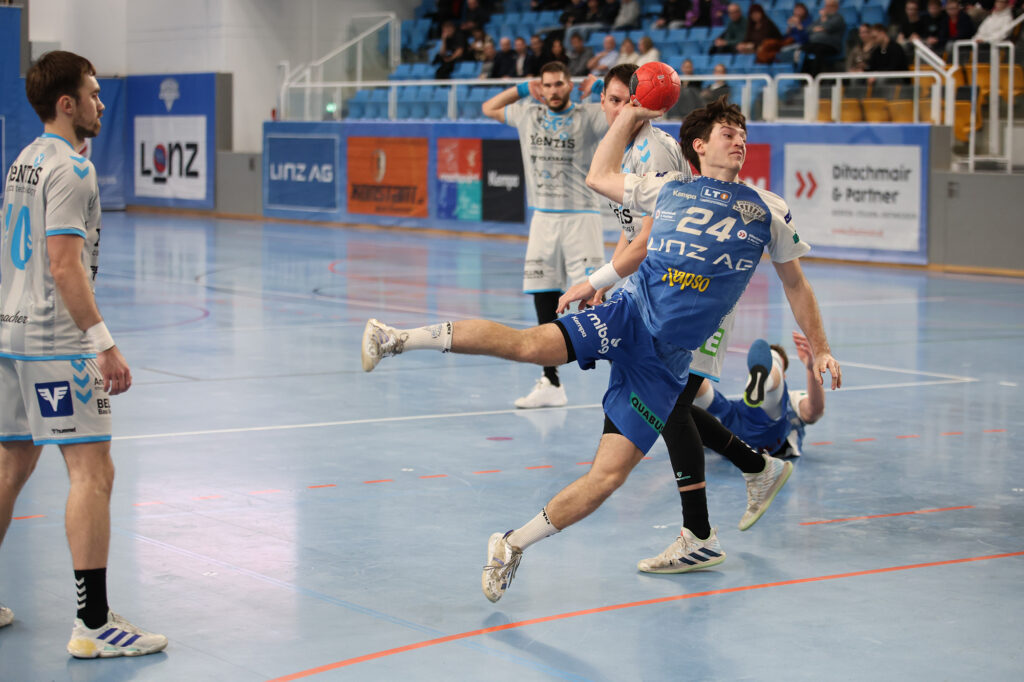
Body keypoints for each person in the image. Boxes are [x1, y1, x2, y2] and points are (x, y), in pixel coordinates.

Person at [360, 96, 841, 602]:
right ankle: (396, 338)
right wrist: (631, 115)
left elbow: (796, 285)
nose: (739, 140)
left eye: (743, 133)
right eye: (728, 132)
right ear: (699, 146)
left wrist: (824, 348)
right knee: (530, 346)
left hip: (666, 364)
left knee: (607, 477)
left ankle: (510, 544)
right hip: (628, 318)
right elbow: (599, 174)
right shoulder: (671, 187)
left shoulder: (768, 209)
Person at [561, 66, 796, 572]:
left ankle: (708, 524)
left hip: (689, 299)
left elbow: (653, 239)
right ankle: (751, 474)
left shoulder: (661, 151)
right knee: (670, 406)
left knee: (669, 405)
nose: (619, 109)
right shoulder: (629, 146)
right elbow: (634, 236)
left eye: (629, 99)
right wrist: (610, 280)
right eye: (613, 100)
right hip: (657, 297)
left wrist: (599, 281)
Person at [0, 51, 167, 657]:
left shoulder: (27, 159)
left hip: (9, 336)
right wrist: (104, 346)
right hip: (56, 342)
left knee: (11, 465)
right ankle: (93, 623)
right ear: (66, 103)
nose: (101, 102)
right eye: (93, 94)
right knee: (92, 471)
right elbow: (65, 266)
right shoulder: (72, 170)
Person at [474, 62, 609, 408]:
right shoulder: (527, 114)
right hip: (543, 219)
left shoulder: (589, 115)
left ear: (569, 85)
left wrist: (599, 89)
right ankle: (550, 380)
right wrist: (522, 88)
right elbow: (488, 107)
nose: (552, 90)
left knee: (596, 300)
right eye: (546, 85)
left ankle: (628, 373)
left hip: (582, 216)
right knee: (543, 294)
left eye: (559, 84)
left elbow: (627, 114)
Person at [695, 332, 826, 459]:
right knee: (715, 403)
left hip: (743, 437)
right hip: (753, 431)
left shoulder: (791, 398)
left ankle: (689, 368)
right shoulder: (746, 404)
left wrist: (811, 368)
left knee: (711, 402)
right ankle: (767, 374)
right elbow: (814, 413)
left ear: (784, 376)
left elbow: (813, 411)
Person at [801, 0, 847, 76]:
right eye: (826, 6)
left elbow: (828, 27)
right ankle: (803, 76)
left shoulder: (838, 18)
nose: (826, 8)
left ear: (836, 7)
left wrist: (823, 20)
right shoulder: (820, 19)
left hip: (831, 46)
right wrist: (818, 28)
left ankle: (814, 76)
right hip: (816, 43)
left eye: (829, 6)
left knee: (818, 50)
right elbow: (809, 28)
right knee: (804, 49)